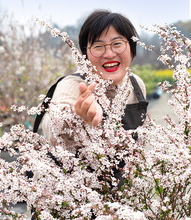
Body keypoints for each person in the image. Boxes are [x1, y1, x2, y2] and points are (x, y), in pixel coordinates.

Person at [42, 9, 148, 152]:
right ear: (85, 55)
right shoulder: (73, 85)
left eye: (117, 43)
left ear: (131, 47)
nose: (109, 54)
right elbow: (52, 126)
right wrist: (76, 117)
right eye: (98, 46)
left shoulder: (136, 85)